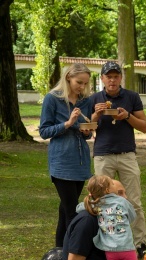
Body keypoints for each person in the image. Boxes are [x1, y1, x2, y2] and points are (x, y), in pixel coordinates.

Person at [90, 61, 146, 259]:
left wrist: (127, 116)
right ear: (102, 79)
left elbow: (144, 126)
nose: (112, 80)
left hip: (127, 155)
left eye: (116, 76)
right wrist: (96, 115)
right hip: (103, 155)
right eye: (109, 76)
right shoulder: (94, 98)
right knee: (101, 200)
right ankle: (104, 242)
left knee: (133, 200)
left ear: (120, 78)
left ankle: (139, 243)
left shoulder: (131, 97)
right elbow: (86, 128)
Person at [39, 63, 94, 247]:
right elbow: (44, 131)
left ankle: (60, 249)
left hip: (80, 161)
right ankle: (75, 252)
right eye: (79, 82)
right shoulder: (52, 99)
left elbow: (87, 131)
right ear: (68, 77)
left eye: (85, 83)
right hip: (61, 162)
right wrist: (67, 124)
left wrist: (87, 132)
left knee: (65, 208)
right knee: (72, 210)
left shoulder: (85, 101)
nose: (82, 87)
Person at [79, 175, 145, 260]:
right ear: (108, 190)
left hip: (109, 250)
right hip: (127, 248)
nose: (115, 185)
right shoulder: (122, 201)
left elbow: (78, 208)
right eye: (112, 184)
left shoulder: (95, 204)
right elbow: (132, 216)